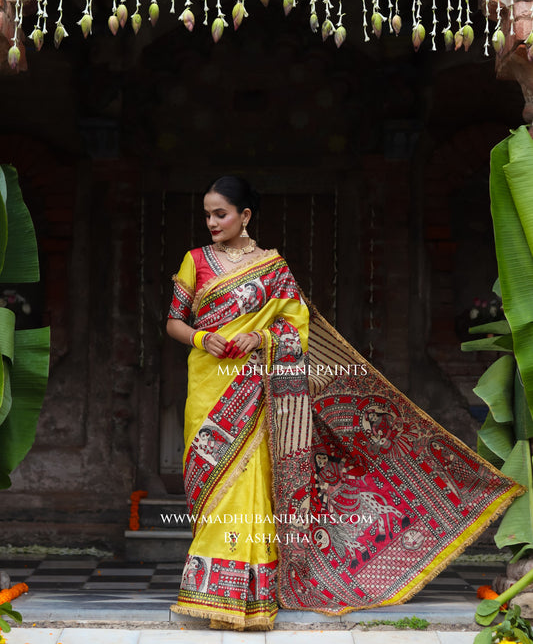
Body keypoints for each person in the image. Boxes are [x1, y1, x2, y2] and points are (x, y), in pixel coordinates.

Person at [167, 175, 521, 631]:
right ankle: (214, 591)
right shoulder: (195, 261)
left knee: (251, 484)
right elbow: (175, 321)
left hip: (257, 387)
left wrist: (261, 337)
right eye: (207, 215)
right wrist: (202, 336)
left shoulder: (273, 268)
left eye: (221, 213)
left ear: (245, 216)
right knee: (207, 482)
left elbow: (298, 330)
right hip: (209, 388)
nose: (212, 222)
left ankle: (239, 598)